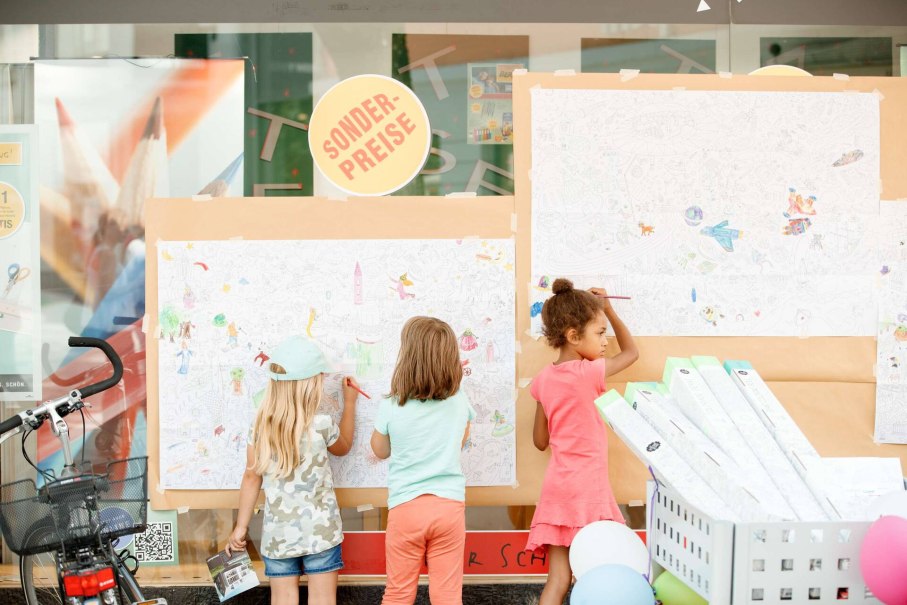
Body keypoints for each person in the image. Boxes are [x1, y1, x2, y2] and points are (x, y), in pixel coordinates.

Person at [528, 279, 639, 605]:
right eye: (600, 333)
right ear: (574, 336)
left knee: (558, 579)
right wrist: (610, 309)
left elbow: (539, 441)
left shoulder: (542, 380)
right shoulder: (589, 373)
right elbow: (631, 353)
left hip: (557, 491)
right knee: (599, 573)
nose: (605, 342)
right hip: (588, 489)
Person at [226, 336, 361, 605]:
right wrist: (350, 403)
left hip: (279, 537)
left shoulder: (260, 428)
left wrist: (240, 528)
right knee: (323, 600)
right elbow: (343, 447)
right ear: (310, 384)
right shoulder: (322, 424)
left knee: (283, 600)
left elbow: (251, 477)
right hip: (321, 534)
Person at [370, 316, 475, 605]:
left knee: (399, 593)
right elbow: (463, 440)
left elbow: (380, 450)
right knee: (447, 596)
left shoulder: (392, 404)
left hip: (406, 508)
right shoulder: (459, 401)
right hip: (449, 508)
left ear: (407, 358)